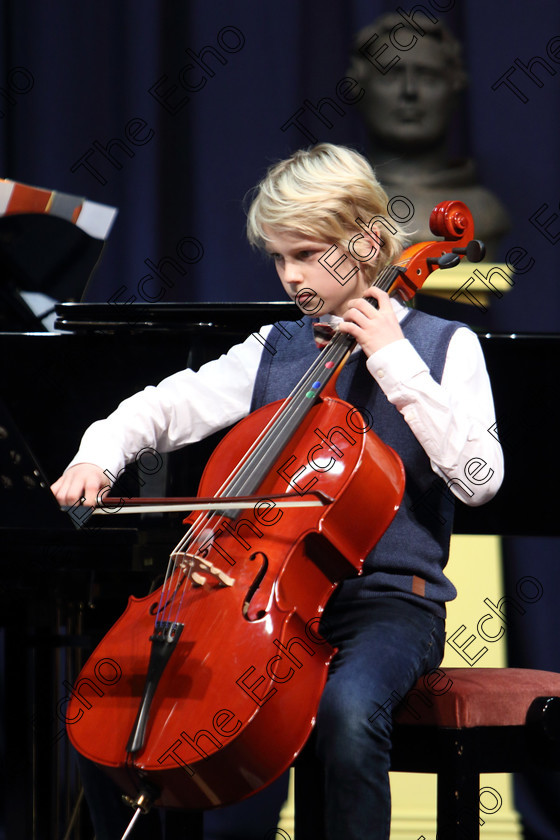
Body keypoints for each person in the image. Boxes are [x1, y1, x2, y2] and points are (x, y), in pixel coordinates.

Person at [52, 142, 504, 840]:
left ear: (367, 243)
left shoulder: (447, 347)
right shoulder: (277, 345)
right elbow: (166, 406)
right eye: (279, 257)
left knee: (351, 713)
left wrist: (391, 356)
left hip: (387, 607)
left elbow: (481, 481)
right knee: (122, 703)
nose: (288, 275)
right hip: (259, 607)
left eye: (305, 254)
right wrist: (99, 454)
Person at [349, 15, 510, 258]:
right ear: (359, 88)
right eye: (391, 75)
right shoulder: (339, 207)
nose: (410, 90)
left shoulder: (484, 211)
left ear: (454, 90)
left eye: (428, 77)